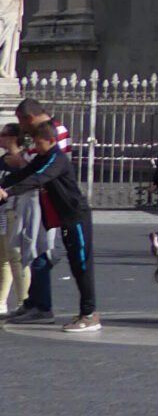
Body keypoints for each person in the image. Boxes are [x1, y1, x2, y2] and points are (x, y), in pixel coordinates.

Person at [0, 118, 100, 333]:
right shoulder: (44, 156)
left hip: (77, 217)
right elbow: (24, 174)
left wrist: (8, 193)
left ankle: (90, 314)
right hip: (65, 219)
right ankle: (85, 312)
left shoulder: (56, 159)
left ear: (51, 140)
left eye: (39, 143)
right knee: (75, 266)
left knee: (83, 267)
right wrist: (3, 184)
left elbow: (38, 178)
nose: (36, 147)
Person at [12, 97, 70, 322]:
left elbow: (46, 166)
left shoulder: (56, 132)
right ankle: (33, 301)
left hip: (46, 198)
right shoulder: (37, 136)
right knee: (31, 247)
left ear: (30, 118)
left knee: (41, 249)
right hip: (34, 196)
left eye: (21, 121)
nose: (22, 127)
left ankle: (42, 306)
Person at [0, 123, 40, 315]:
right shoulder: (2, 160)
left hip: (14, 210)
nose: (0, 138)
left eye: (3, 135)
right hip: (2, 212)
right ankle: (1, 301)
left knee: (15, 257)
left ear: (13, 138)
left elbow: (27, 183)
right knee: (3, 258)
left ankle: (24, 301)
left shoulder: (22, 160)